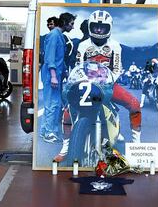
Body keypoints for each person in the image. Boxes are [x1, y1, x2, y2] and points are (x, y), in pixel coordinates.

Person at [54, 10, 142, 161]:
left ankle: (136, 145)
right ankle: (66, 146)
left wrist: (106, 80)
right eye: (95, 27)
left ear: (109, 28)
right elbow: (78, 66)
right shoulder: (83, 45)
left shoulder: (115, 46)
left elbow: (117, 69)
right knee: (68, 109)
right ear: (90, 27)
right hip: (86, 84)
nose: (99, 30)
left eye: (102, 28)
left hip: (107, 84)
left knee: (134, 103)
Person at [40, 13, 76, 143]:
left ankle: (44, 130)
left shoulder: (59, 35)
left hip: (57, 73)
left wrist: (65, 71)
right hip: (51, 74)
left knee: (52, 102)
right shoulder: (54, 35)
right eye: (71, 24)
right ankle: (49, 133)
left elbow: (59, 57)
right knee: (53, 104)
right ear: (65, 22)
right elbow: (50, 57)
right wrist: (54, 76)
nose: (73, 27)